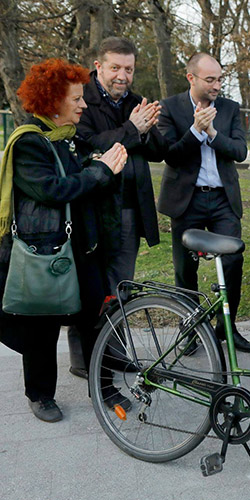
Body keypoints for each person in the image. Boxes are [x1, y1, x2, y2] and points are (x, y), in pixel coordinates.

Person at [0, 59, 129, 422]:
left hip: (82, 248)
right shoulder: (29, 143)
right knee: (41, 325)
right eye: (76, 99)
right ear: (54, 102)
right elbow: (53, 190)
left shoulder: (70, 140)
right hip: (46, 250)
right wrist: (100, 170)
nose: (83, 105)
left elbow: (87, 177)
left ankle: (102, 387)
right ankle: (40, 395)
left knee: (93, 318)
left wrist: (102, 166)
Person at [70, 37, 167, 379]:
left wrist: (148, 129)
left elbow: (158, 151)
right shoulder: (81, 98)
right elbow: (88, 143)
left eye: (128, 68)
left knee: (121, 285)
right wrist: (132, 129)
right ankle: (85, 359)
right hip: (94, 206)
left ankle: (113, 351)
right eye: (115, 68)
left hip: (130, 207)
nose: (122, 76)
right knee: (92, 286)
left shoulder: (138, 102)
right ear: (99, 67)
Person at [157, 52, 250, 353]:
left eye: (220, 79)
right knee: (185, 268)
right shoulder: (170, 107)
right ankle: (191, 329)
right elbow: (170, 154)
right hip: (187, 200)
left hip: (223, 198)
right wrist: (195, 131)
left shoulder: (229, 108)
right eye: (210, 79)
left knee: (233, 260)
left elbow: (240, 151)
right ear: (192, 78)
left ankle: (227, 327)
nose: (217, 85)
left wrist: (211, 133)